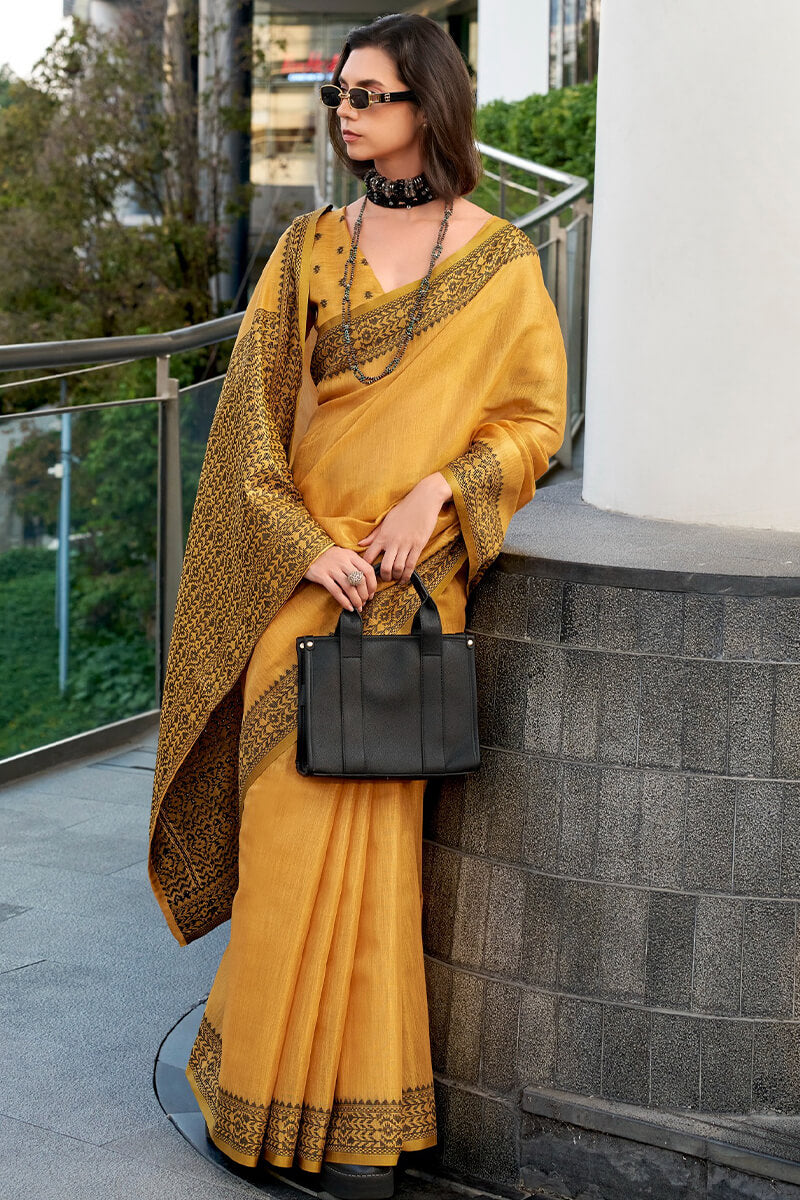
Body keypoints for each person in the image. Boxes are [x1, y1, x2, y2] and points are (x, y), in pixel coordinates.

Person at [148, 13, 567, 1200]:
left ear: (427, 108)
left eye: (370, 95)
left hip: (410, 596)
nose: (346, 112)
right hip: (305, 591)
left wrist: (437, 490)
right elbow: (245, 440)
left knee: (378, 870)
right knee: (288, 846)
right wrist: (304, 548)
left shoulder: (499, 263)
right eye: (341, 94)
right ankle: (256, 1113)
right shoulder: (306, 250)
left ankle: (358, 1131)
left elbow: (533, 423)